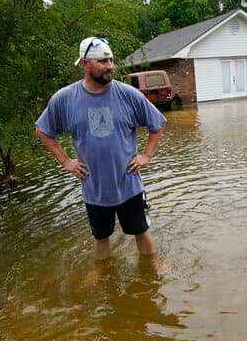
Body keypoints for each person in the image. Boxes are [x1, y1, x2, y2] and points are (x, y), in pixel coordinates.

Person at [35, 36, 167, 262]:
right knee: (101, 236)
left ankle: (152, 267)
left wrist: (146, 155)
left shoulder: (128, 94)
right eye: (103, 62)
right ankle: (103, 273)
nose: (110, 67)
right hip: (94, 187)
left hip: (128, 184)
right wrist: (66, 162)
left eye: (111, 60)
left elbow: (158, 123)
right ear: (85, 64)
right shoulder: (65, 99)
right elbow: (43, 130)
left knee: (141, 231)